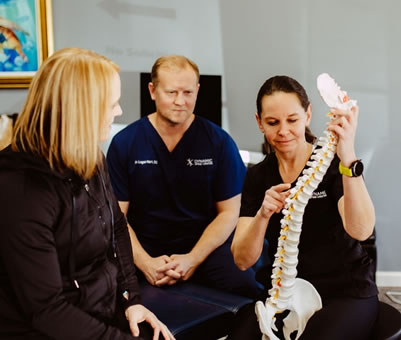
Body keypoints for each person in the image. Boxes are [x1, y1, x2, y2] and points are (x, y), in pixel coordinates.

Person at [0, 48, 174, 340]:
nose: (119, 112)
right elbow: (47, 310)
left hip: (98, 312)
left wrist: (131, 300)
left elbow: (117, 227)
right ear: (80, 111)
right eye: (112, 104)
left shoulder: (90, 158)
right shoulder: (20, 194)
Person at [228, 75, 378, 339]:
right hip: (283, 293)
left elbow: (362, 230)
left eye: (292, 120)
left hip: (343, 290)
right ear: (259, 122)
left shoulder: (336, 166)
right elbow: (242, 260)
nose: (283, 131)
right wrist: (263, 215)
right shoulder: (258, 177)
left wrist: (349, 158)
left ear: (308, 115)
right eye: (272, 122)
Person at [106, 55, 263, 298]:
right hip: (144, 247)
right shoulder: (126, 143)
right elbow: (117, 217)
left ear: (198, 90)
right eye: (171, 93)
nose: (181, 101)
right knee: (105, 289)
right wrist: (146, 263)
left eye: (188, 92)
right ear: (153, 90)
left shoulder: (218, 142)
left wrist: (192, 259)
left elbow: (230, 213)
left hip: (204, 246)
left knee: (246, 286)